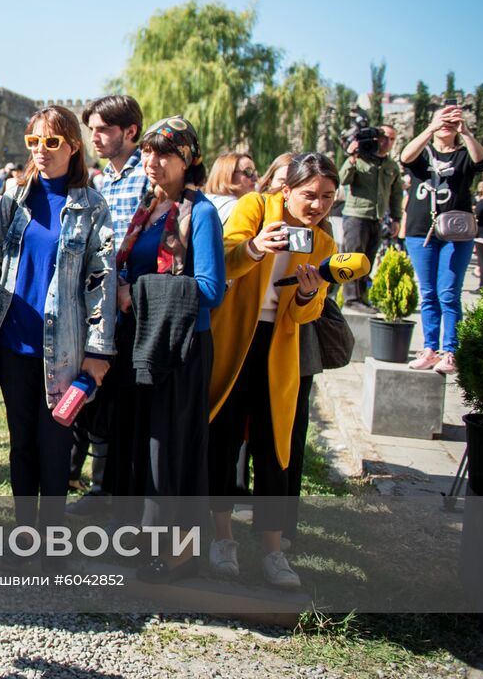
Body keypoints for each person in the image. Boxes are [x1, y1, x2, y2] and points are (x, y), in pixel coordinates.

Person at [0, 106, 116, 563]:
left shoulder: (92, 207)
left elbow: (102, 281)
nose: (41, 151)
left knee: (54, 447)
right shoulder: (14, 196)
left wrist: (98, 350)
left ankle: (52, 545)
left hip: (65, 349)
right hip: (13, 342)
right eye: (34, 142)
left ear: (73, 146)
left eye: (51, 142)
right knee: (22, 446)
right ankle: (23, 538)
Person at [208, 153, 336, 589]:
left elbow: (308, 315)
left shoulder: (324, 243)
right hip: (233, 341)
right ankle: (222, 540)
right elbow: (222, 260)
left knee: (275, 446)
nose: (317, 205)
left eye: (327, 197)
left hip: (279, 350)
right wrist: (256, 247)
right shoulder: (255, 208)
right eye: (308, 195)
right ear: (286, 191)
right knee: (222, 438)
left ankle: (273, 551)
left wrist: (306, 296)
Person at [113, 118, 225, 581]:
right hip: (142, 347)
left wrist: (135, 292)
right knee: (142, 446)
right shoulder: (148, 208)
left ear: (189, 160)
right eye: (148, 152)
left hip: (179, 351)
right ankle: (143, 540)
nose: (153, 162)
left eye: (165, 154)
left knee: (172, 449)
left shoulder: (200, 214)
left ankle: (178, 554)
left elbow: (210, 289)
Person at [79, 94, 149, 514]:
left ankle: (124, 493)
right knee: (100, 398)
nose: (95, 137)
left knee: (128, 402)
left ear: (131, 132)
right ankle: (101, 488)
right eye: (92, 130)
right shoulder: (105, 178)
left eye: (103, 129)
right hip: (103, 304)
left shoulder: (148, 176)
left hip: (135, 306)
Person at [398, 103, 483, 373]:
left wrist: (466, 132)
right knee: (428, 294)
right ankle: (429, 349)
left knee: (448, 292)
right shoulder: (422, 153)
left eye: (452, 119)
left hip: (456, 232)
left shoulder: (464, 154)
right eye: (443, 118)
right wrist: (431, 127)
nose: (447, 123)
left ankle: (450, 352)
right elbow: (405, 156)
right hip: (420, 231)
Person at [338, 124, 403, 306]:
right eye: (383, 137)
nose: (386, 142)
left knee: (368, 260)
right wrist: (352, 157)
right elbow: (342, 179)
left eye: (391, 139)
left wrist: (396, 219)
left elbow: (396, 194)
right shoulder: (359, 159)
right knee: (353, 257)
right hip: (356, 215)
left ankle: (362, 297)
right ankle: (351, 298)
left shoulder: (391, 165)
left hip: (377, 218)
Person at [203, 152, 258, 225]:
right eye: (248, 172)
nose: (255, 178)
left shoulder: (203, 201)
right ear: (228, 175)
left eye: (255, 172)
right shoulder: (237, 208)